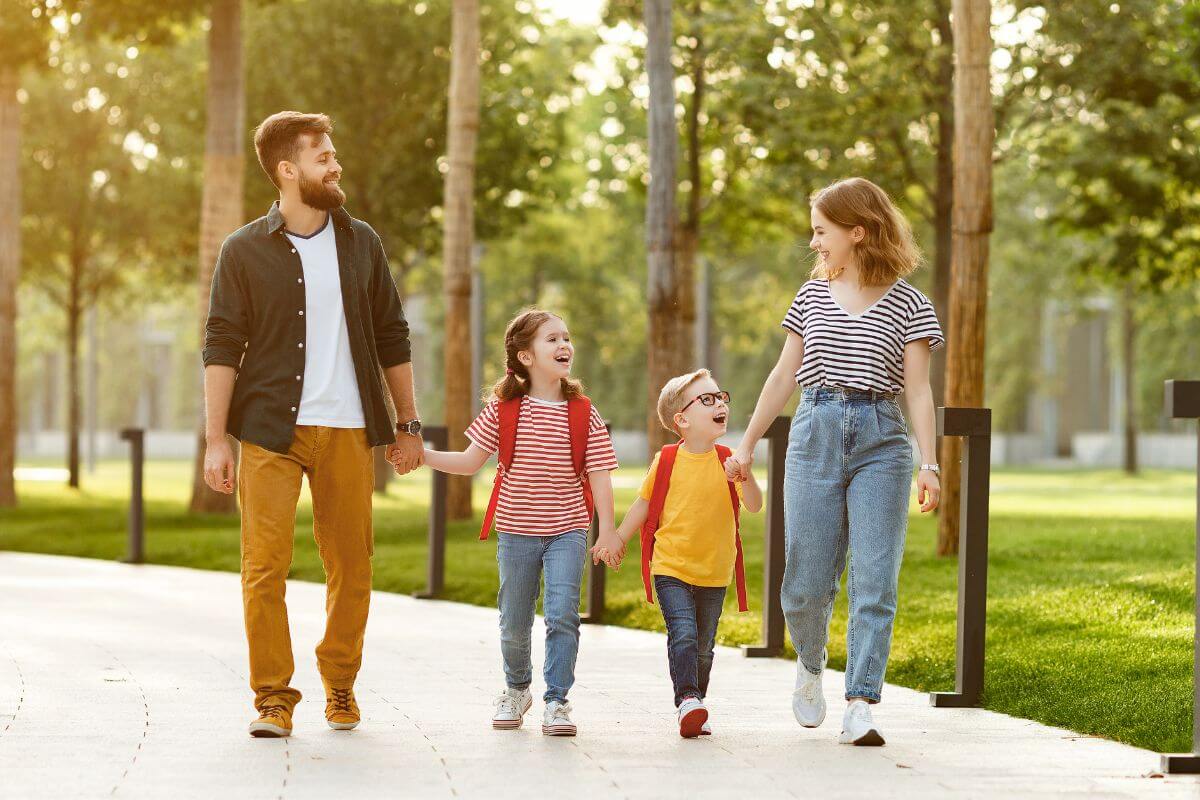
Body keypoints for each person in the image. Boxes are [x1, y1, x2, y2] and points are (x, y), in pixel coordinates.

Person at [202, 111, 424, 738]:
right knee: (263, 567)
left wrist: (408, 423)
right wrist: (217, 439)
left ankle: (341, 684)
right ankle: (273, 697)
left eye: (333, 152)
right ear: (286, 170)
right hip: (269, 431)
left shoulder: (362, 243)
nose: (336, 164)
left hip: (350, 429)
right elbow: (221, 345)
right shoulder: (243, 250)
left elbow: (392, 335)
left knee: (352, 566)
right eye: (322, 155)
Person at [726, 177, 943, 746]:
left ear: (858, 232)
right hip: (814, 431)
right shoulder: (810, 295)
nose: (815, 241)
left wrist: (931, 463)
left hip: (883, 441)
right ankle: (811, 663)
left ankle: (862, 702)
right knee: (803, 581)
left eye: (822, 231)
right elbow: (783, 376)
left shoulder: (911, 303)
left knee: (875, 580)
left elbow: (918, 392)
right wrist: (745, 445)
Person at [410, 308, 617, 736]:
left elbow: (599, 474)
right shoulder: (504, 410)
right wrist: (423, 455)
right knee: (514, 618)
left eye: (566, 337)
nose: (564, 345)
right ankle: (517, 689)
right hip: (517, 531)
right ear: (525, 356)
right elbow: (469, 462)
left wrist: (609, 531)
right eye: (552, 339)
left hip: (568, 530)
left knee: (562, 615)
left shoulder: (582, 412)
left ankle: (557, 700)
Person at [594, 369, 761, 738]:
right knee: (683, 635)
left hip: (714, 570)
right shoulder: (667, 459)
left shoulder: (730, 460)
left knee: (704, 647)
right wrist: (617, 537)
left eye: (720, 397)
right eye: (707, 399)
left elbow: (754, 506)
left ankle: (695, 703)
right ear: (681, 420)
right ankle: (687, 699)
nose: (719, 403)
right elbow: (644, 503)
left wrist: (744, 477)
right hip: (670, 566)